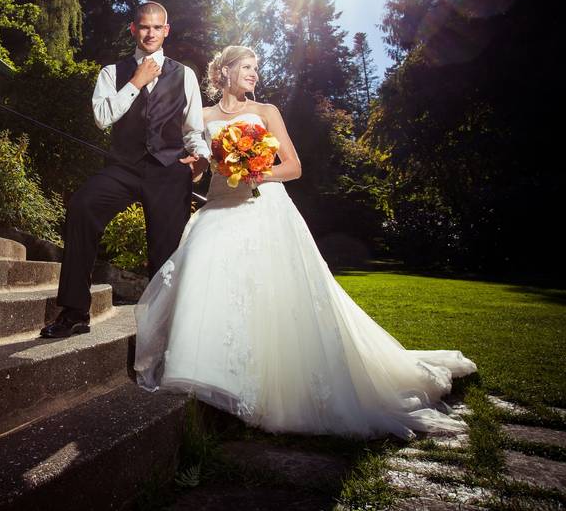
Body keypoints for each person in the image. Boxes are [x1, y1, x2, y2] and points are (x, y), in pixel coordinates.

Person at [133, 45, 477, 438]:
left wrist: (256, 171)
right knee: (205, 281)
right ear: (224, 72)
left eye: (256, 68)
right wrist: (195, 167)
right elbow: (197, 170)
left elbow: (293, 166)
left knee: (271, 296)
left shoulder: (266, 113)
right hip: (218, 208)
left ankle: (264, 384)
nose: (254, 74)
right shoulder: (203, 117)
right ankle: (209, 373)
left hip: (264, 208)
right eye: (247, 67)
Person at [40, 2, 210, 338]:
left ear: (166, 30)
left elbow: (194, 130)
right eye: (144, 27)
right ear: (133, 29)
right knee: (82, 206)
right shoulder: (111, 72)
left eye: (156, 27)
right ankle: (75, 312)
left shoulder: (184, 74)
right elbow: (103, 118)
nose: (150, 33)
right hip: (124, 167)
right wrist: (135, 81)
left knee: (165, 251)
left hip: (168, 169)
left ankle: (164, 328)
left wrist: (201, 156)